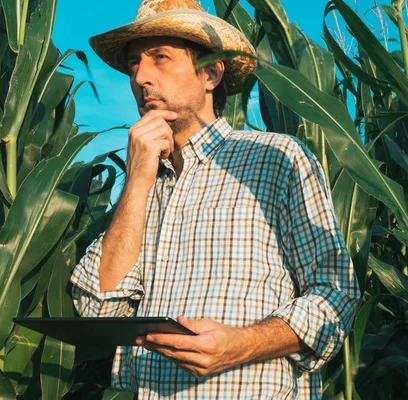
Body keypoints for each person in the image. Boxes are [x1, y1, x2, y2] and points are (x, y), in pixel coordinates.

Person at [70, 0, 360, 398]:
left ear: (210, 73)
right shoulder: (141, 184)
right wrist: (137, 179)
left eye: (160, 58)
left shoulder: (276, 159)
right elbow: (98, 312)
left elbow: (337, 293)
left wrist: (239, 344)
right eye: (135, 63)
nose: (140, 76)